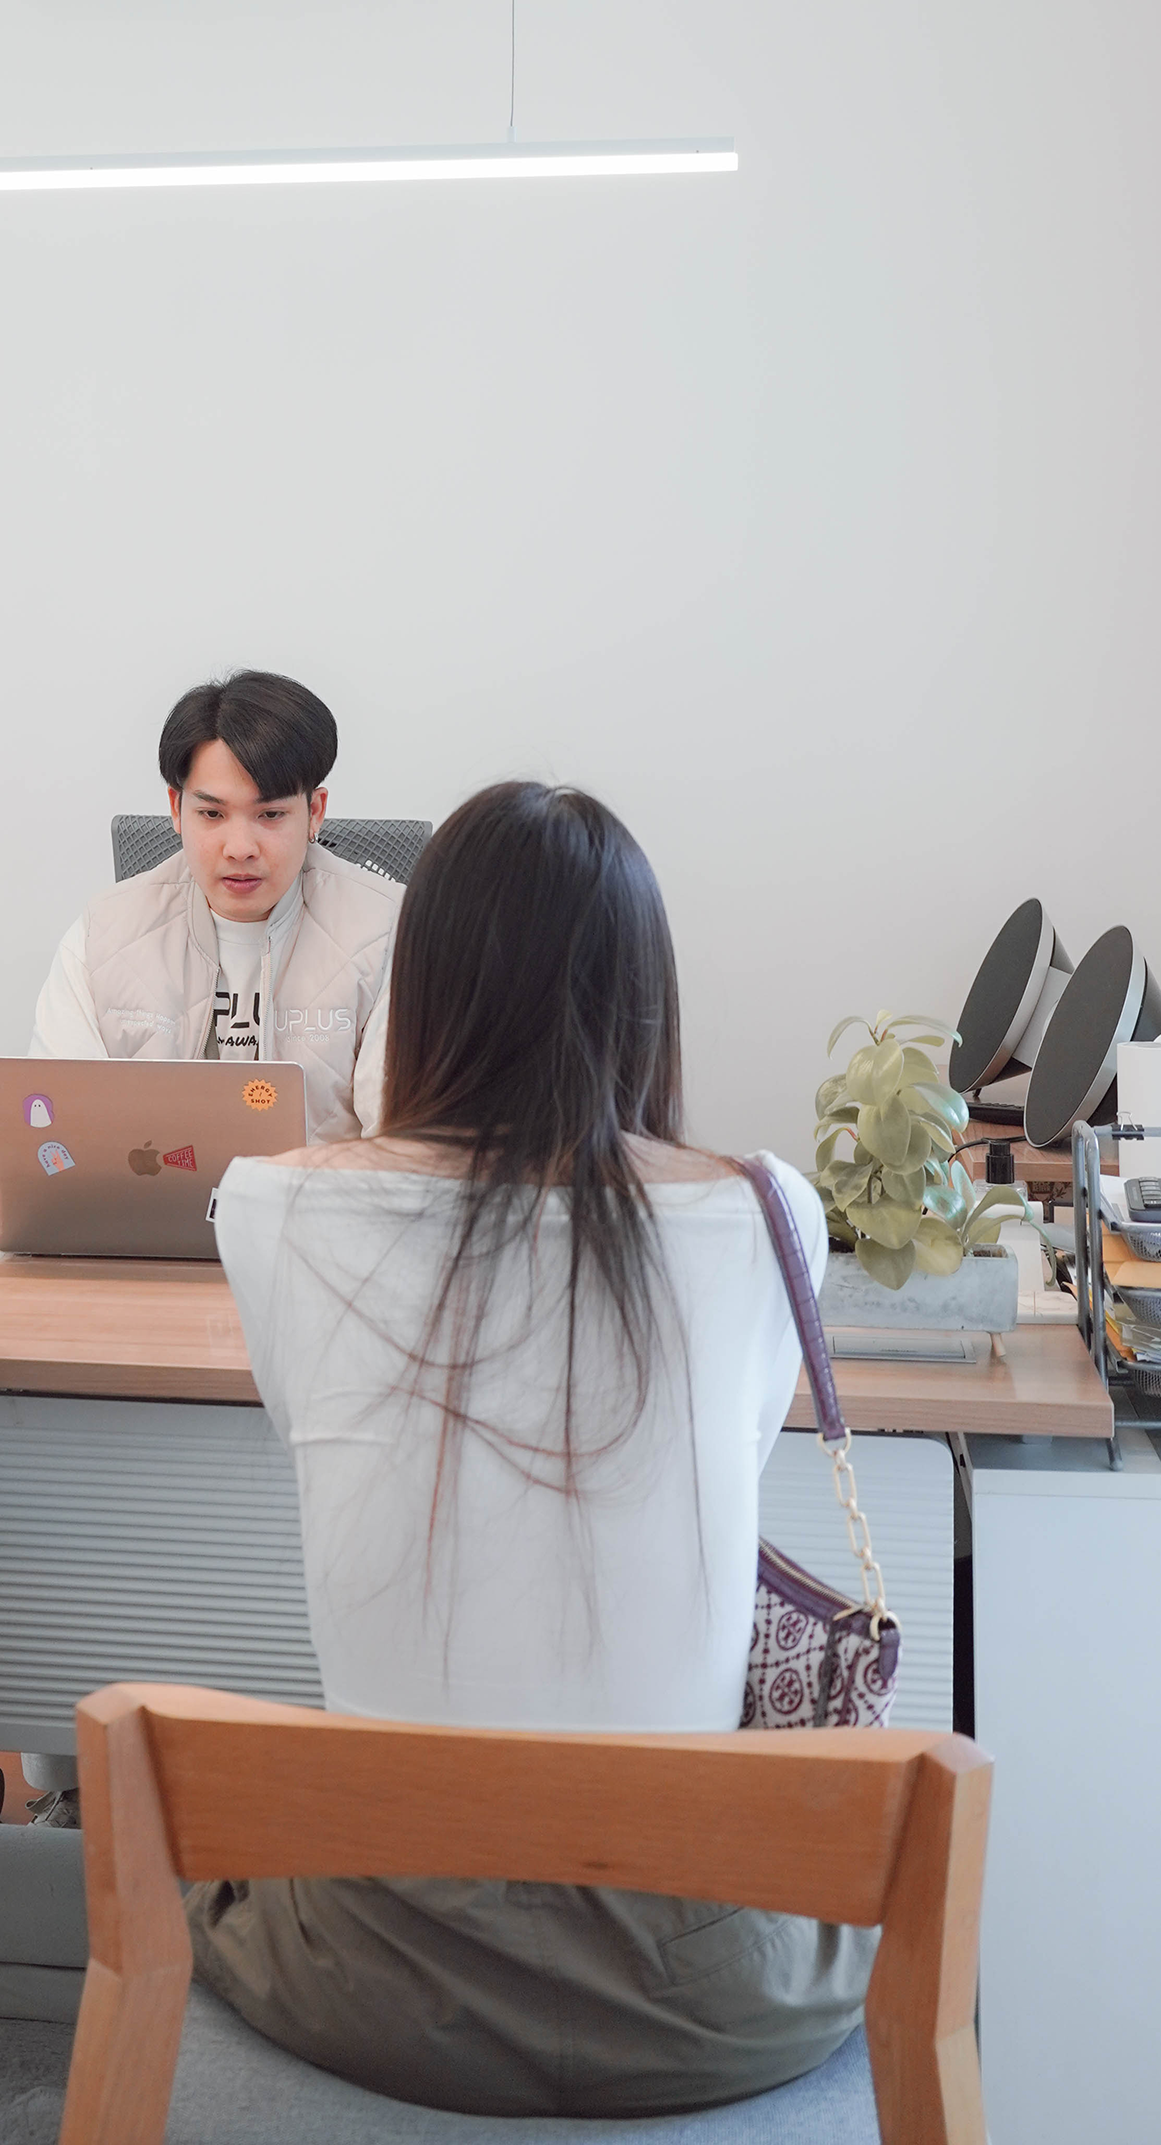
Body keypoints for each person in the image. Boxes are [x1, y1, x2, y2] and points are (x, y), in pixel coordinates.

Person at [189, 781, 876, 2119]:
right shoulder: (771, 1212)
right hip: (706, 1988)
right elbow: (732, 1459)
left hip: (377, 1975)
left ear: (425, 987)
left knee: (204, 1863)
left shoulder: (270, 1206)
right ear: (645, 996)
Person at [31, 669, 400, 1141]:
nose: (239, 848)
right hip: (147, 1192)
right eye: (211, 813)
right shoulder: (101, 936)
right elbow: (60, 1133)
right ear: (175, 808)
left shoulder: (391, 935)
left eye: (270, 814)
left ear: (314, 812)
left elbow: (409, 1145)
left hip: (322, 1190)